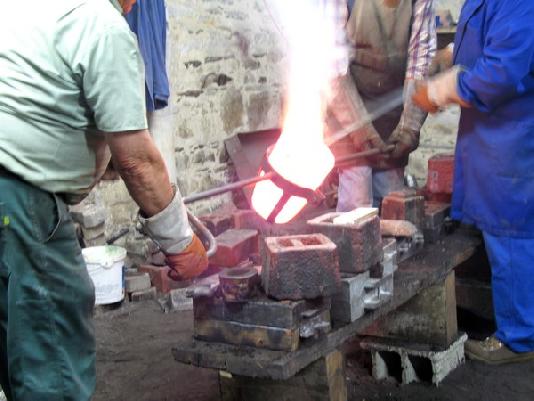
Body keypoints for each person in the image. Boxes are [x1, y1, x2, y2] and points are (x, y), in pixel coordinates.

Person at [0, 1, 208, 400]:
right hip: (21, 200)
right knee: (52, 346)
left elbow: (41, 105)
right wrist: (179, 242)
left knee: (20, 338)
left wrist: (96, 160)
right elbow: (137, 160)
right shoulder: (103, 26)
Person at [413, 0, 534, 364]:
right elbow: (486, 43)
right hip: (492, 136)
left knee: (509, 232)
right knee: (505, 233)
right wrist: (449, 57)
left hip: (512, 135)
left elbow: (501, 72)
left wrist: (440, 91)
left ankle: (519, 339)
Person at [326, 0, 436, 211]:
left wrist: (410, 126)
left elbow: (421, 61)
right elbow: (333, 65)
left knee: (392, 203)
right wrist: (360, 130)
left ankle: (394, 244)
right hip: (348, 103)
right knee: (356, 207)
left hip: (391, 113)